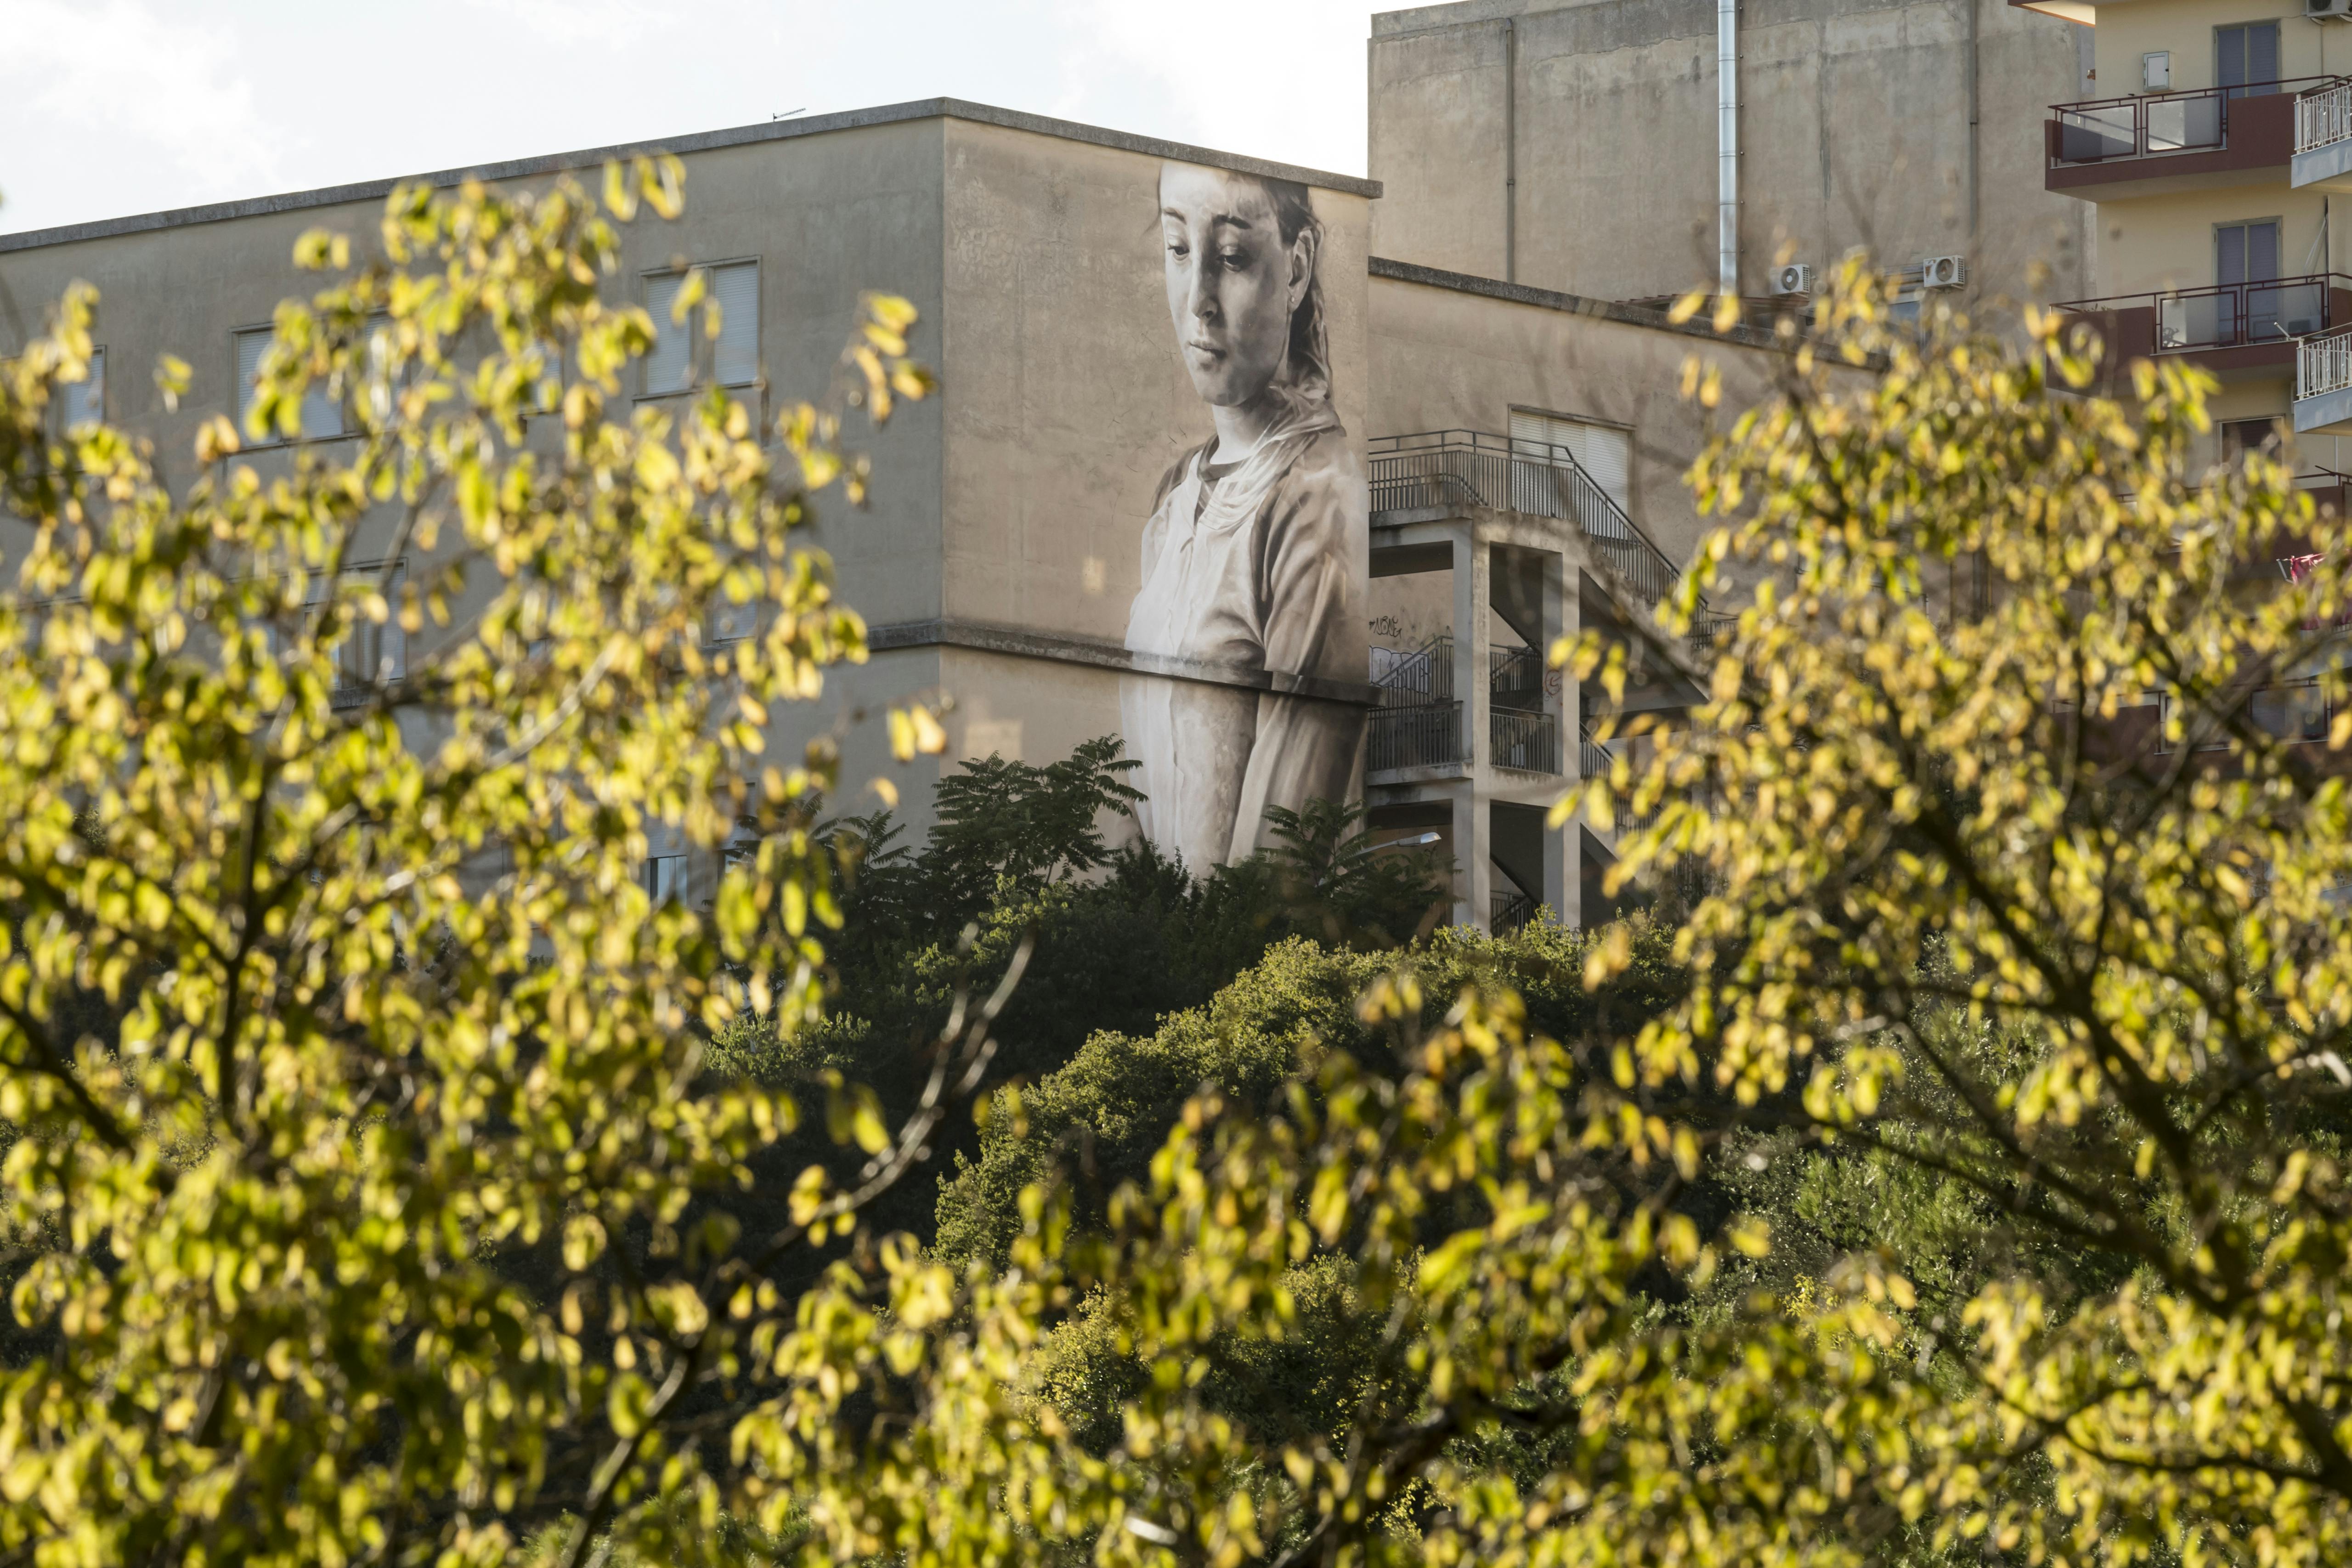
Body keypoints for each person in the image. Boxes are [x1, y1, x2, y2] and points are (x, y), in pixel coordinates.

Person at [1122, 162, 1368, 871]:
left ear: (1296, 269)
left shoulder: (1320, 500)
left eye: (1230, 257)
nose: (1198, 299)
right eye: (1176, 249)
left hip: (1244, 965)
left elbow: (1285, 850)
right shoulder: (1174, 501)